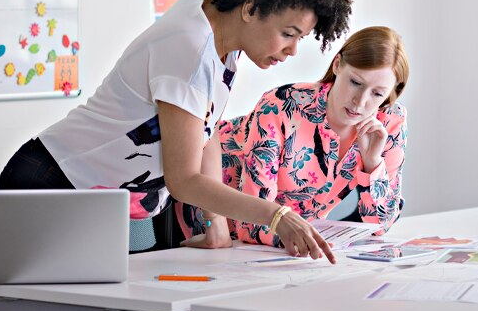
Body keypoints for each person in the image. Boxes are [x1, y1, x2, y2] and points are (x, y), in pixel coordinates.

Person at [0, 0, 352, 266]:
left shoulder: (218, 28)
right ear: (250, 8)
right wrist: (277, 216)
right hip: (53, 183)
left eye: (300, 39)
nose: (291, 50)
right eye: (288, 33)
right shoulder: (189, 47)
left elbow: (204, 134)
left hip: (105, 199)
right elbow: (183, 180)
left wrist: (215, 221)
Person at [174, 26, 409, 249]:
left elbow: (380, 226)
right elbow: (251, 225)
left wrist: (373, 163)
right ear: (337, 65)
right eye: (355, 82)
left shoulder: (390, 123)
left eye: (378, 93)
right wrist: (307, 238)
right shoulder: (280, 106)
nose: (361, 101)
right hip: (210, 219)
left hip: (282, 244)